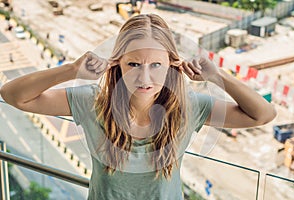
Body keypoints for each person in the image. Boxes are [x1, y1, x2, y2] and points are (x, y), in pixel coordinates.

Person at [0, 14, 276, 199]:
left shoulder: (190, 106)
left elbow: (263, 115)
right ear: (117, 63)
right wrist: (71, 70)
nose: (144, 77)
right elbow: (13, 95)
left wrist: (218, 77)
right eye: (134, 64)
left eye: (156, 64)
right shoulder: (91, 101)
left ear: (172, 64)